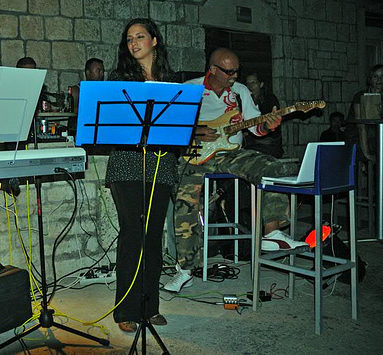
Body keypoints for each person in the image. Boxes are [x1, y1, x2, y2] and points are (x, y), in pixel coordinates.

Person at [165, 47, 307, 293]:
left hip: (230, 153)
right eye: (228, 71)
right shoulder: (190, 89)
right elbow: (171, 125)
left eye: (236, 71)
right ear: (212, 70)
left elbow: (255, 129)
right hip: (197, 156)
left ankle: (272, 233)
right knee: (185, 203)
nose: (233, 76)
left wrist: (269, 125)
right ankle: (185, 271)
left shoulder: (240, 92)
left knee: (272, 166)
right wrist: (197, 132)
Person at [105, 18, 178, 333]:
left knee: (153, 237)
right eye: (129, 38)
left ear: (154, 41)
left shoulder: (171, 83)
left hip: (161, 165)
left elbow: (180, 129)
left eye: (140, 37)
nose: (133, 43)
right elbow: (110, 127)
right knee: (133, 234)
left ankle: (150, 307)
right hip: (126, 164)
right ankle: (126, 310)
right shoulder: (119, 79)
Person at [345, 64, 383, 162]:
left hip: (376, 140)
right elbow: (361, 126)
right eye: (375, 76)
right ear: (370, 79)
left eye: (382, 76)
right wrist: (367, 154)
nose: (379, 79)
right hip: (357, 140)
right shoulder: (360, 97)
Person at [244, 72, 284, 158]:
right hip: (250, 143)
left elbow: (274, 121)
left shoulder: (269, 99)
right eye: (248, 83)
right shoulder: (243, 101)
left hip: (269, 143)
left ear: (261, 84)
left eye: (253, 83)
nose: (250, 86)